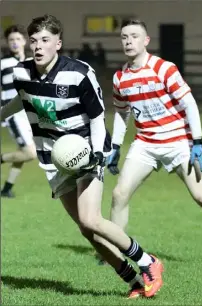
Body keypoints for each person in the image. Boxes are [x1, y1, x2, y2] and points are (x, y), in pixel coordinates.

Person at [1, 14, 164, 299]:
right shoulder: (22, 72)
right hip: (52, 160)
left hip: (84, 154)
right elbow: (22, 99)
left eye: (45, 41)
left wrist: (100, 154)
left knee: (91, 219)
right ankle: (133, 281)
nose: (38, 46)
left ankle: (148, 262)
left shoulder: (79, 73)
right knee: (86, 230)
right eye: (34, 40)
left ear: (59, 44)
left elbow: (98, 117)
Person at [107, 19, 202, 263]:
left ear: (146, 41)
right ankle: (115, 248)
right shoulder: (120, 78)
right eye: (124, 37)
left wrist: (197, 142)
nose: (128, 41)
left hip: (179, 142)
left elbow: (189, 103)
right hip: (145, 144)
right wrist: (115, 145)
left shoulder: (164, 68)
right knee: (119, 194)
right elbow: (122, 113)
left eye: (134, 36)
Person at [1, 25, 37, 198]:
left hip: (29, 113)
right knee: (30, 153)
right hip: (13, 113)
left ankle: (7, 188)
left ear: (24, 41)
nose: (14, 43)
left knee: (23, 152)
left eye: (17, 39)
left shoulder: (32, 63)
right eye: (11, 40)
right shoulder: (3, 63)